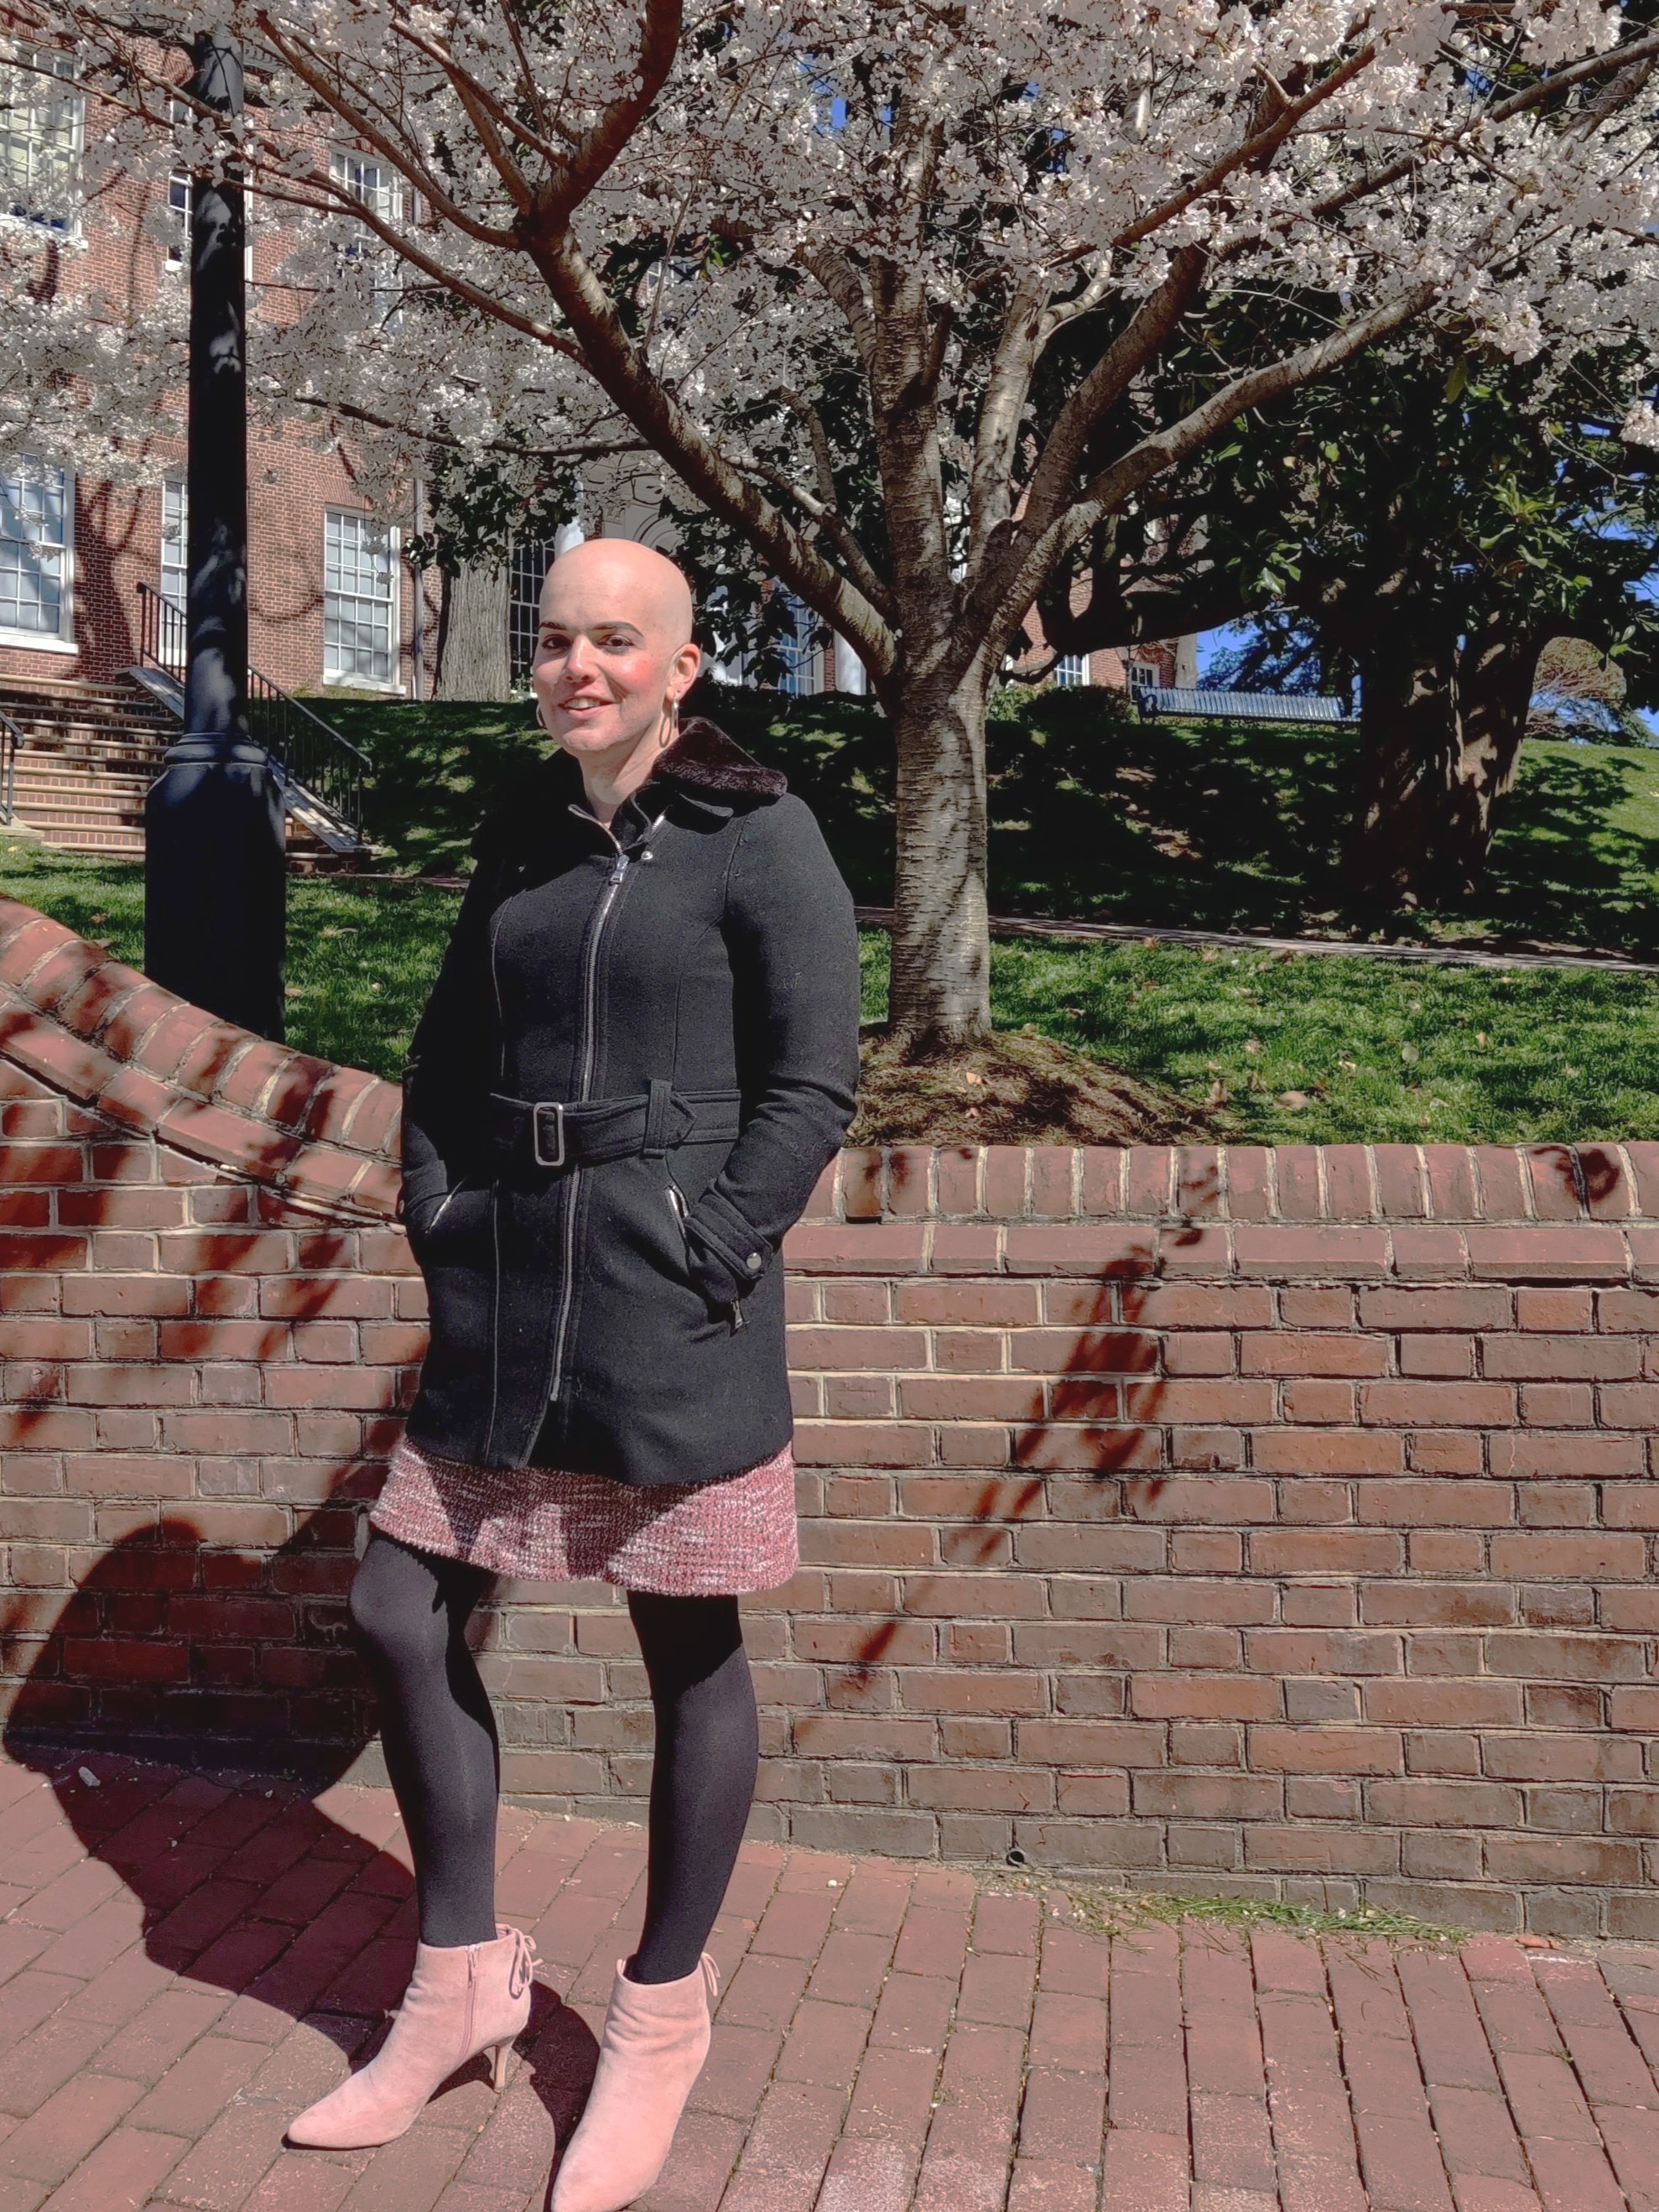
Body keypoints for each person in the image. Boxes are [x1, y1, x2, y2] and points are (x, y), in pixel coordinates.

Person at [285, 539, 862, 2211]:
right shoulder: (523, 838)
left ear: (683, 665)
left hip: (666, 1307)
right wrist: (439, 1209)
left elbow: (814, 1073)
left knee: (686, 1641)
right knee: (401, 1603)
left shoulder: (760, 835)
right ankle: (461, 1971)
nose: (577, 665)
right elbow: (443, 1054)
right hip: (503, 1300)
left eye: (615, 639)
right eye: (554, 641)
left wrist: (718, 1239)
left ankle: (661, 2012)